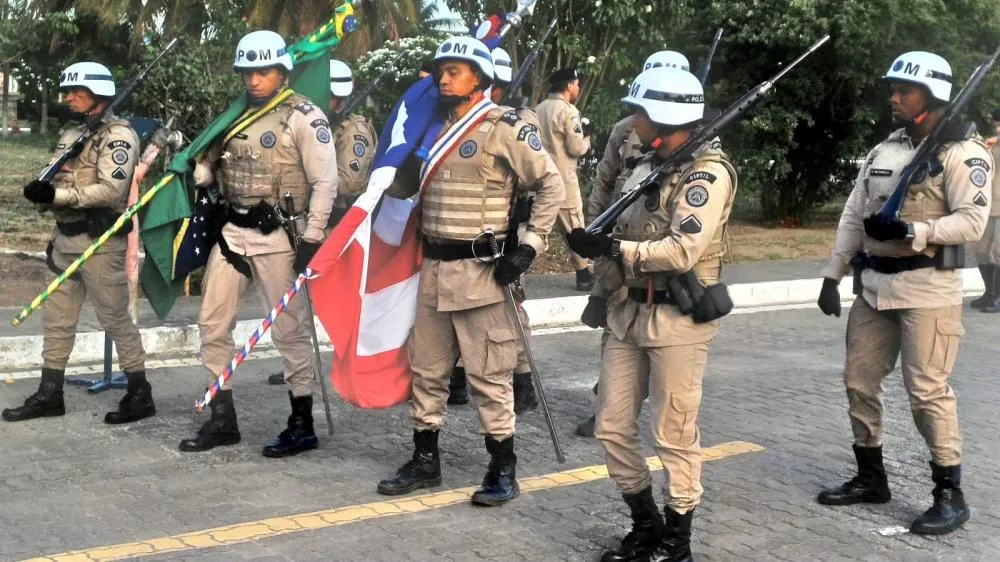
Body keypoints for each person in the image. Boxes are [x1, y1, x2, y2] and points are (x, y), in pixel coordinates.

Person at [375, 36, 564, 507]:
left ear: (478, 78)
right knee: (427, 372)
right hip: (434, 269)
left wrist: (529, 247)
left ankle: (503, 468)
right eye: (441, 70)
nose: (444, 77)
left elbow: (551, 185)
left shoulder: (502, 128)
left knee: (489, 377)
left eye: (455, 70)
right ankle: (425, 460)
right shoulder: (427, 130)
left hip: (482, 273)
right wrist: (393, 172)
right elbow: (404, 187)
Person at [816, 51, 991, 536]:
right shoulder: (885, 151)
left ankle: (949, 495)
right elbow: (854, 214)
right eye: (892, 89)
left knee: (927, 393)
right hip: (874, 287)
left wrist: (912, 229)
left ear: (932, 97)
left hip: (929, 288)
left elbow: (973, 223)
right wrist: (833, 274)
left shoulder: (964, 154)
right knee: (859, 381)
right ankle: (871, 478)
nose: (893, 97)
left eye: (904, 91)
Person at [567, 66, 736, 562]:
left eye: (640, 112)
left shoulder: (707, 172)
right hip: (627, 311)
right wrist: (595, 245)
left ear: (663, 118)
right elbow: (619, 213)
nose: (633, 120)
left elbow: (683, 249)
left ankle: (677, 540)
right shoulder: (647, 162)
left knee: (673, 432)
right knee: (612, 426)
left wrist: (615, 248)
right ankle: (645, 524)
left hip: (676, 318)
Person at [178, 30, 336, 458]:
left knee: (290, 331)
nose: (253, 79)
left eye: (262, 71)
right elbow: (209, 162)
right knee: (212, 324)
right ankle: (222, 418)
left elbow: (325, 182)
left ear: (282, 70)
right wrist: (201, 171)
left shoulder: (304, 116)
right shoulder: (231, 117)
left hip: (281, 237)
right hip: (232, 234)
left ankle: (301, 421)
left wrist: (314, 237)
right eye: (247, 71)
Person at [3, 62, 154, 425]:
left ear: (98, 94)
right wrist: (41, 195)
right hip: (64, 240)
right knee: (57, 321)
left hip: (100, 243)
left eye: (77, 91)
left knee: (116, 319)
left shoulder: (119, 137)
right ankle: (49, 394)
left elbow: (110, 190)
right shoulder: (72, 134)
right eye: (69, 91)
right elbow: (57, 180)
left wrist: (55, 196)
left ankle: (140, 393)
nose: (69, 97)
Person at [577, 51, 692, 438]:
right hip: (621, 233)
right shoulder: (626, 130)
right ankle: (609, 400)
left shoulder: (694, 142)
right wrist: (595, 230)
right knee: (613, 322)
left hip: (662, 244)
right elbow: (605, 180)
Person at [448, 46, 540, 414]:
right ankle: (456, 378)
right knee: (458, 312)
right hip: (472, 230)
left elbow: (534, 181)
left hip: (508, 230)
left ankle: (522, 380)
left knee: (511, 311)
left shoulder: (518, 122)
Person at [535, 67, 594, 291]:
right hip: (564, 180)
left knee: (535, 226)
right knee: (574, 227)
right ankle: (584, 274)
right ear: (569, 85)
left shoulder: (538, 109)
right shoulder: (569, 111)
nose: (578, 88)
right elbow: (576, 147)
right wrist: (587, 138)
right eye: (577, 84)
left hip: (540, 179)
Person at [969, 108, 1000, 312]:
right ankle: (989, 292)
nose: (996, 126)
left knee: (998, 251)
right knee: (980, 249)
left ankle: (998, 297)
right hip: (987, 203)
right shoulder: (991, 143)